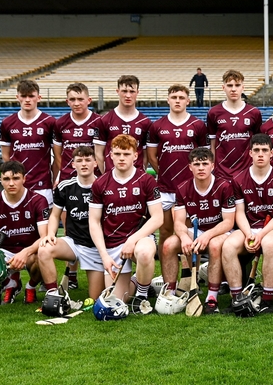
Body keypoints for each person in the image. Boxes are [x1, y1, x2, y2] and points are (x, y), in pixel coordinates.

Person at [89, 135, 163, 311]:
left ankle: (142, 296)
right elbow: (93, 221)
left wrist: (132, 240)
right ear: (111, 155)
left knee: (144, 253)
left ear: (135, 156)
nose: (122, 158)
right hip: (113, 244)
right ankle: (138, 281)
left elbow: (158, 217)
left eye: (126, 154)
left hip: (139, 238)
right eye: (118, 153)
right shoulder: (100, 183)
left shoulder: (146, 180)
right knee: (117, 299)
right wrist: (104, 256)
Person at [217, 136, 273, 314]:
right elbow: (239, 212)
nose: (260, 154)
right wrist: (249, 233)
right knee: (228, 246)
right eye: (256, 150)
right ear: (250, 153)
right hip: (247, 227)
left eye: (265, 150)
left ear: (272, 153)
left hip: (272, 227)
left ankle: (267, 299)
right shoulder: (239, 179)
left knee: (269, 244)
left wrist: (261, 235)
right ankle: (237, 298)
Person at [146, 84, 209, 279]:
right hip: (165, 188)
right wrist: (164, 173)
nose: (178, 100)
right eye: (174, 97)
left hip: (190, 189)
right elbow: (152, 156)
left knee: (191, 233)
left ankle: (191, 277)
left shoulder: (197, 125)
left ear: (188, 100)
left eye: (182, 97)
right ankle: (168, 280)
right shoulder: (157, 126)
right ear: (168, 100)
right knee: (165, 232)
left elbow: (203, 156)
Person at [167, 148, 235, 311]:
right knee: (169, 245)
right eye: (197, 164)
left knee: (214, 245)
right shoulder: (183, 187)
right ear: (190, 167)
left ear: (212, 165)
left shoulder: (224, 186)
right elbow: (179, 222)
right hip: (196, 231)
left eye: (205, 164)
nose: (201, 168)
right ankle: (170, 294)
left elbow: (228, 222)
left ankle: (212, 296)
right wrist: (183, 236)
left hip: (219, 231)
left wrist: (208, 236)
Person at [37, 147, 102, 301]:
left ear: (95, 163)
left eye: (87, 160)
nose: (83, 164)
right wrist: (51, 234)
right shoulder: (65, 186)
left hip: (96, 248)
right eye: (79, 161)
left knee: (95, 298)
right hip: (73, 243)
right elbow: (54, 215)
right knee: (44, 250)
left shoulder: (104, 186)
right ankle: (53, 295)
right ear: (73, 164)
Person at [0, 161, 49, 304]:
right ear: (0, 180)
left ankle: (30, 286)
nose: (11, 183)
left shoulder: (38, 200)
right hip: (5, 253)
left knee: (44, 253)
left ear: (24, 179)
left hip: (32, 251)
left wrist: (25, 253)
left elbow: (45, 236)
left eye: (16, 178)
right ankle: (11, 284)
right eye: (6, 179)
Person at [0, 79, 56, 205]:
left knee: (43, 224)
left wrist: (56, 179)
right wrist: (12, 180)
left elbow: (57, 156)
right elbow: (5, 156)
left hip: (43, 185)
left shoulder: (49, 122)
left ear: (39, 98)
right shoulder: (7, 123)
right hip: (18, 185)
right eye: (23, 96)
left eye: (31, 96)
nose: (27, 100)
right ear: (17, 97)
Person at [206, 69, 263, 180]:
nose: (233, 89)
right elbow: (213, 144)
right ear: (223, 88)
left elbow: (257, 143)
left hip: (247, 172)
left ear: (243, 87)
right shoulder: (213, 112)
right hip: (221, 173)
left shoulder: (254, 113)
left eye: (237, 85)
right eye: (229, 85)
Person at [93, 75, 152, 174]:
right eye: (124, 91)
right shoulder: (104, 120)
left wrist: (140, 173)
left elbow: (146, 155)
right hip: (111, 178)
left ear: (137, 92)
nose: (128, 95)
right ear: (117, 91)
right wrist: (107, 175)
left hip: (136, 179)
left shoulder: (145, 122)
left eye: (132, 91)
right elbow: (98, 153)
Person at [53, 83, 101, 185]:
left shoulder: (99, 122)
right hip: (67, 178)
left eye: (80, 99)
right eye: (72, 99)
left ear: (89, 100)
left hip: (93, 178)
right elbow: (58, 155)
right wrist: (63, 172)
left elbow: (102, 153)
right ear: (67, 102)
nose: (76, 103)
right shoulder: (60, 123)